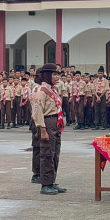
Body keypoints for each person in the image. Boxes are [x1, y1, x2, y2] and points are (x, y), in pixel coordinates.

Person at [33, 63, 66, 195]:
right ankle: (45, 184)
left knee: (54, 153)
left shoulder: (52, 89)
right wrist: (43, 129)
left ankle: (51, 181)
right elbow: (37, 111)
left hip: (55, 122)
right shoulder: (42, 91)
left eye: (57, 74)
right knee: (47, 154)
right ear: (47, 75)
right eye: (54, 74)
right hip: (47, 122)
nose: (57, 77)